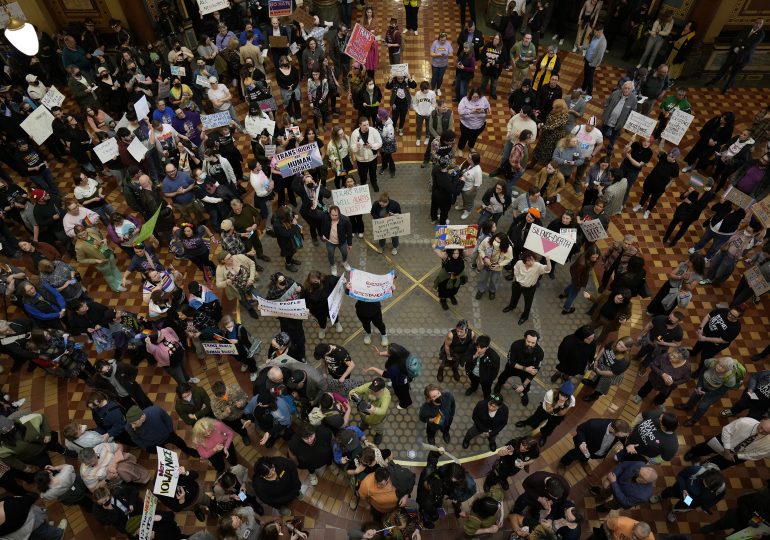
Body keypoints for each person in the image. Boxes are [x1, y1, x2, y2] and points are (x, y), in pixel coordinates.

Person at [676, 356, 744, 426]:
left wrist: (706, 393)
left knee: (702, 406)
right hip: (704, 384)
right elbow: (702, 373)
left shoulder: (730, 380)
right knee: (694, 395)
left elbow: (720, 391)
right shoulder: (710, 362)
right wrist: (699, 386)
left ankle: (694, 419)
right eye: (719, 364)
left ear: (727, 370)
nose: (718, 367)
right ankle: (688, 406)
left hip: (714, 392)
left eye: (722, 367)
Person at [684, 417, 770, 470]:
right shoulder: (745, 422)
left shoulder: (768, 443)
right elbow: (726, 430)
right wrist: (727, 450)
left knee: (715, 465)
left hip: (738, 455)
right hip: (724, 441)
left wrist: (738, 456)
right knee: (704, 448)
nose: (760, 431)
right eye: (761, 427)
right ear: (762, 421)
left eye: (765, 432)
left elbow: (757, 454)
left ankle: (703, 467)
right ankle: (694, 453)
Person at [707, 18, 765, 94]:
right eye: (757, 22)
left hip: (743, 57)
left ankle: (726, 88)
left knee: (734, 73)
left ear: (762, 25)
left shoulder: (761, 34)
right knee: (724, 68)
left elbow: (750, 45)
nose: (758, 25)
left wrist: (740, 45)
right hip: (734, 53)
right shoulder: (746, 28)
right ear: (753, 23)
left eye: (760, 23)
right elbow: (736, 39)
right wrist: (741, 44)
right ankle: (713, 82)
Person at [651, 464, 725, 523]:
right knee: (669, 492)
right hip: (681, 489)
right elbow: (680, 475)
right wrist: (683, 489)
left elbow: (715, 500)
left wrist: (703, 507)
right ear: (706, 475)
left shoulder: (720, 488)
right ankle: (660, 496)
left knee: (682, 505)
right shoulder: (695, 470)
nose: (705, 486)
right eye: (705, 483)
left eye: (708, 487)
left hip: (691, 499)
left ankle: (674, 511)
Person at [515, 380, 575, 447]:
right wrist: (557, 405)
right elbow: (548, 410)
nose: (563, 398)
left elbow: (562, 413)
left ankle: (544, 435)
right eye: (562, 394)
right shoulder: (550, 394)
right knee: (536, 418)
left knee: (551, 426)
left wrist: (561, 407)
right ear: (559, 392)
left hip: (557, 416)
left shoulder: (572, 400)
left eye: (566, 397)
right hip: (545, 410)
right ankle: (527, 422)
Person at [494, 330, 543, 405]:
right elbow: (511, 362)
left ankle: (524, 393)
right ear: (524, 338)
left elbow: (534, 372)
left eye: (533, 343)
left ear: (536, 342)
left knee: (527, 386)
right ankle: (499, 385)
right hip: (512, 368)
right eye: (528, 341)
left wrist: (523, 385)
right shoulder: (516, 345)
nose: (530, 344)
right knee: (502, 377)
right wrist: (525, 368)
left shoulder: (539, 352)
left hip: (526, 372)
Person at [559, 418, 630, 470]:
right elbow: (580, 429)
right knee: (574, 455)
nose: (624, 437)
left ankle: (584, 461)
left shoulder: (619, 425)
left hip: (597, 451)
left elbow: (623, 438)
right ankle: (563, 463)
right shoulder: (594, 424)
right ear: (613, 430)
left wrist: (628, 446)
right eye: (622, 435)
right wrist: (582, 442)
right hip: (586, 447)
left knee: (587, 456)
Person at [503, 251, 551, 325]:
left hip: (529, 288)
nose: (531, 262)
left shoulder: (537, 266)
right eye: (529, 260)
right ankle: (511, 307)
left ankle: (524, 316)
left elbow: (547, 269)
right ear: (524, 260)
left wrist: (548, 261)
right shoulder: (519, 263)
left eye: (533, 259)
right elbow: (515, 271)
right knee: (514, 297)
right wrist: (514, 281)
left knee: (528, 303)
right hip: (517, 284)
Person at [365, 343, 413, 410]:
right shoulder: (401, 352)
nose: (386, 350)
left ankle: (405, 403)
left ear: (393, 356)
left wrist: (373, 368)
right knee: (396, 384)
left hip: (401, 382)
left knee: (401, 392)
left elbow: (386, 374)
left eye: (387, 351)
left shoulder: (395, 368)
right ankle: (394, 383)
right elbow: (391, 354)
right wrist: (380, 353)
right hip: (401, 376)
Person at [349, 377, 391, 445]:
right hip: (364, 414)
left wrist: (374, 409)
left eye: (375, 391)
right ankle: (364, 425)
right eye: (372, 389)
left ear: (382, 390)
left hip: (376, 420)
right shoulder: (369, 386)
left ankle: (379, 434)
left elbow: (383, 410)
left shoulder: (386, 396)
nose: (372, 392)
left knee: (378, 428)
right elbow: (356, 390)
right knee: (364, 421)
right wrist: (352, 394)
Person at [601, 81, 638, 151]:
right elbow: (607, 103)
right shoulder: (615, 93)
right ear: (622, 87)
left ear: (632, 89)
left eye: (629, 88)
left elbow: (632, 112)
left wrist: (625, 121)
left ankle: (610, 148)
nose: (626, 90)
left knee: (614, 137)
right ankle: (599, 144)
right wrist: (605, 112)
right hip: (608, 119)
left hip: (619, 123)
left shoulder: (634, 100)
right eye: (625, 88)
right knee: (602, 132)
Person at [351, 117, 383, 191]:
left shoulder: (374, 131)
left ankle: (374, 182)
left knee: (373, 172)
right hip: (361, 160)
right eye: (364, 125)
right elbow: (352, 148)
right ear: (360, 125)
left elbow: (380, 143)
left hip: (372, 158)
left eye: (368, 124)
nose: (367, 127)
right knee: (362, 174)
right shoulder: (355, 134)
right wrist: (357, 147)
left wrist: (371, 146)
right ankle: (363, 184)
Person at [457, 88, 491, 157]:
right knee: (464, 137)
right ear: (470, 95)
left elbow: (488, 110)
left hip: (479, 125)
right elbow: (460, 112)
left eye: (477, 97)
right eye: (474, 97)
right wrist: (472, 111)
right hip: (466, 125)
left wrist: (482, 110)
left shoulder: (483, 99)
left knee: (474, 137)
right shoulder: (464, 100)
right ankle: (460, 148)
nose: (476, 98)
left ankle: (471, 146)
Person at [464, 335, 500, 400]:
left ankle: (486, 397)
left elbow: (495, 371)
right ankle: (473, 388)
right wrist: (474, 356)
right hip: (472, 373)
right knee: (473, 383)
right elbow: (465, 358)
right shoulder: (472, 347)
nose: (479, 349)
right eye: (478, 347)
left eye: (481, 348)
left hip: (485, 378)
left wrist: (489, 380)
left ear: (487, 347)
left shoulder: (494, 357)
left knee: (486, 389)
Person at [580, 25, 606, 97]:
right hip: (587, 60)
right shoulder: (595, 37)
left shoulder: (603, 43)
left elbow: (599, 57)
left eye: (596, 33)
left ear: (600, 32)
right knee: (586, 75)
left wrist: (592, 64)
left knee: (590, 78)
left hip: (592, 63)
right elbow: (590, 45)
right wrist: (583, 47)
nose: (595, 34)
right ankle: (583, 89)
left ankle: (589, 94)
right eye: (594, 32)